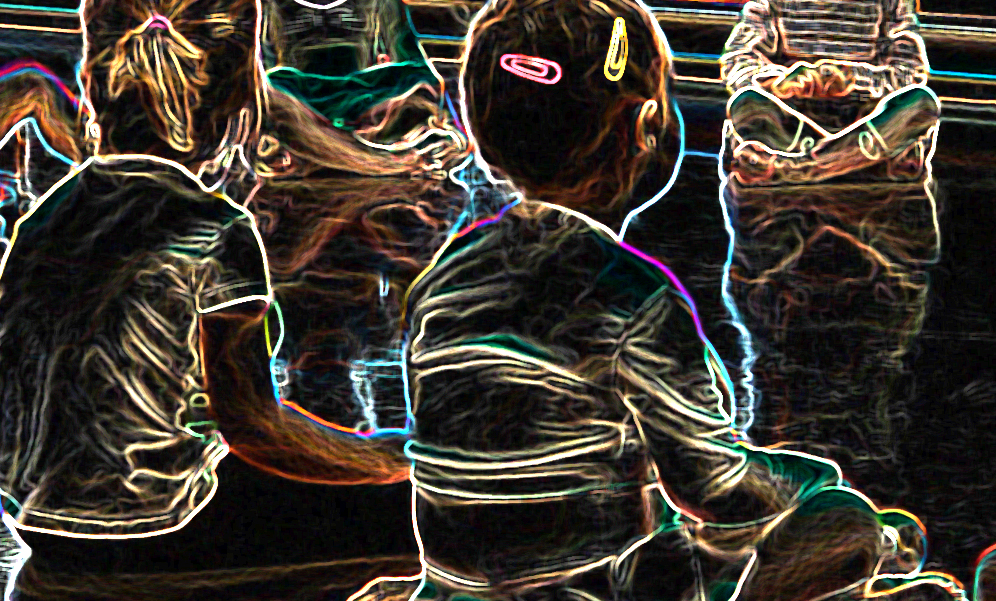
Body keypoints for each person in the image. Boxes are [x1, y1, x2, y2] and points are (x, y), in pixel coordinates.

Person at [389, 1, 963, 601]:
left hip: (459, 586)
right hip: (596, 585)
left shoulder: (439, 281)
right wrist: (810, 481)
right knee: (844, 520)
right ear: (647, 129)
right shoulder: (633, 297)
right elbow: (714, 487)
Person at [720, 0, 941, 186]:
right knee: (746, 102)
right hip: (796, 123)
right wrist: (780, 83)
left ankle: (799, 169)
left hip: (865, 122)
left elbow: (909, 71)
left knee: (920, 101)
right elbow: (737, 61)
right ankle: (847, 167)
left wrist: (853, 79)